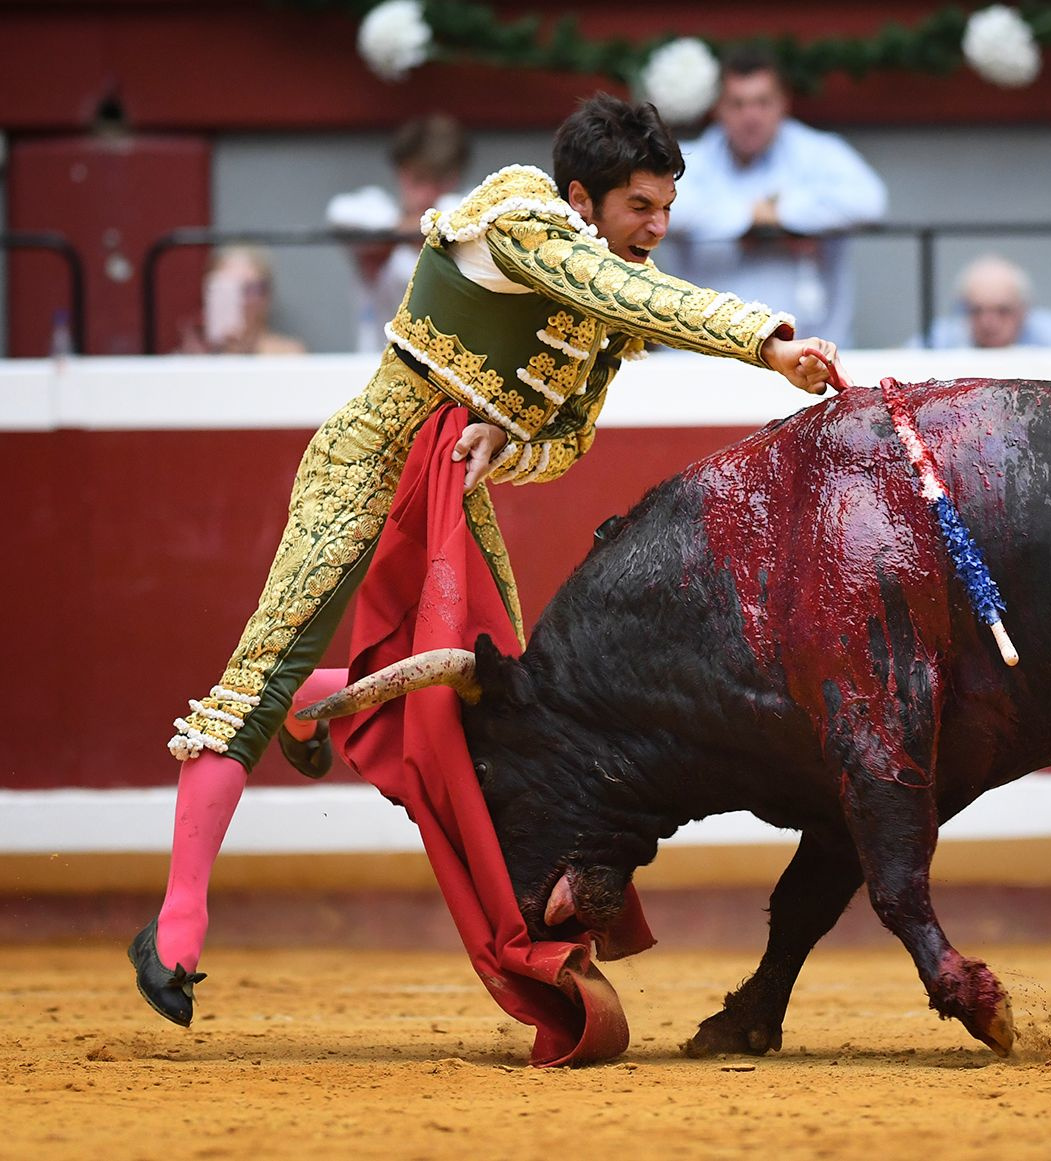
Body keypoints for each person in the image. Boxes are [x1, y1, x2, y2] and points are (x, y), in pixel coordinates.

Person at [131, 93, 845, 1028]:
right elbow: (631, 296)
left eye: (668, 207)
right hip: (365, 462)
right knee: (259, 672)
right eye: (640, 206)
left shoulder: (606, 289)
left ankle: (321, 699)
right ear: (581, 199)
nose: (658, 227)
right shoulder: (517, 218)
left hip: (449, 490)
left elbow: (569, 440)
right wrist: (767, 340)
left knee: (490, 693)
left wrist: (507, 443)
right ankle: (177, 923)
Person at [666, 45, 888, 348]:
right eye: (738, 104)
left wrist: (784, 215)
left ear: (784, 103)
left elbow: (870, 202)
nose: (750, 116)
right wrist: (749, 219)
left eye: (762, 102)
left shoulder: (821, 151)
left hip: (810, 350)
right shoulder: (690, 159)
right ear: (718, 108)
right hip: (703, 353)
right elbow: (663, 209)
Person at [327, 114, 472, 352]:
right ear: (401, 172)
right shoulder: (372, 209)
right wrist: (409, 230)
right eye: (418, 179)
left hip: (449, 363)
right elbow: (339, 213)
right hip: (377, 360)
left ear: (454, 178)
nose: (427, 192)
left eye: (439, 180)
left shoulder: (470, 212)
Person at [915, 254, 1051, 349]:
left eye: (1002, 311)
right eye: (977, 311)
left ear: (1023, 310)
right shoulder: (941, 339)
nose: (988, 323)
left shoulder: (1049, 335)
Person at [177, 246, 307, 355]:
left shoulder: (288, 356)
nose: (240, 300)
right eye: (227, 290)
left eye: (249, 289)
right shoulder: (191, 359)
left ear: (267, 295)